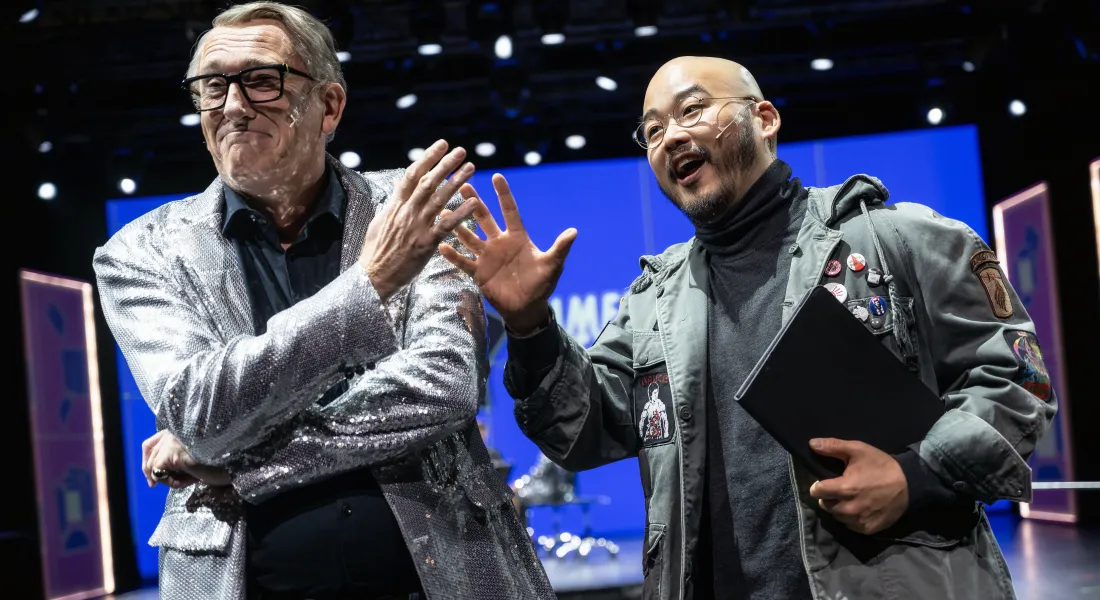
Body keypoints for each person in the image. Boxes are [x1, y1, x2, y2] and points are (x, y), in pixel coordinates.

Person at [441, 56, 1057, 599]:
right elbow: (581, 431)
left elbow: (1016, 382)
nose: (669, 136)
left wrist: (915, 476)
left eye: (692, 110)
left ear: (764, 118)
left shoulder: (897, 239)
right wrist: (528, 323)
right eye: (652, 131)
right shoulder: (653, 302)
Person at [93, 3, 554, 599]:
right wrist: (369, 285)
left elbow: (443, 384)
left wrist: (241, 463)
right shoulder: (140, 251)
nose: (232, 106)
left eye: (262, 81)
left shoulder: (412, 208)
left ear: (329, 106)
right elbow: (199, 413)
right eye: (212, 87)